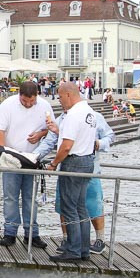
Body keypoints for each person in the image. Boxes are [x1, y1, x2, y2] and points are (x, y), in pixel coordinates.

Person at [35, 105, 116, 254]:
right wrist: (33, 157)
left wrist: (99, 144)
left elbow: (110, 136)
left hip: (90, 167)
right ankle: (69, 239)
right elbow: (50, 141)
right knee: (64, 204)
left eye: (62, 98)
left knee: (92, 203)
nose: (61, 102)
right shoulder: (62, 119)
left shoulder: (94, 116)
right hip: (66, 168)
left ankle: (100, 239)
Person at [0, 81, 52, 248]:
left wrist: (40, 133)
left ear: (37, 96)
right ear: (19, 95)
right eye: (24, 101)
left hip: (32, 159)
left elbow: (52, 129)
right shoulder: (8, 105)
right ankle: (10, 233)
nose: (28, 104)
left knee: (30, 198)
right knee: (10, 197)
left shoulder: (45, 105)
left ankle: (31, 233)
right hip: (12, 158)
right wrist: (5, 153)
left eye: (31, 101)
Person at [46, 82, 98, 261]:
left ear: (68, 95)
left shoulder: (73, 114)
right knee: (81, 207)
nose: (60, 101)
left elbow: (67, 146)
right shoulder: (89, 112)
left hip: (73, 162)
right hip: (87, 160)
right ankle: (84, 249)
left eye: (60, 97)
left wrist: (53, 163)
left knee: (69, 208)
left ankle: (73, 250)